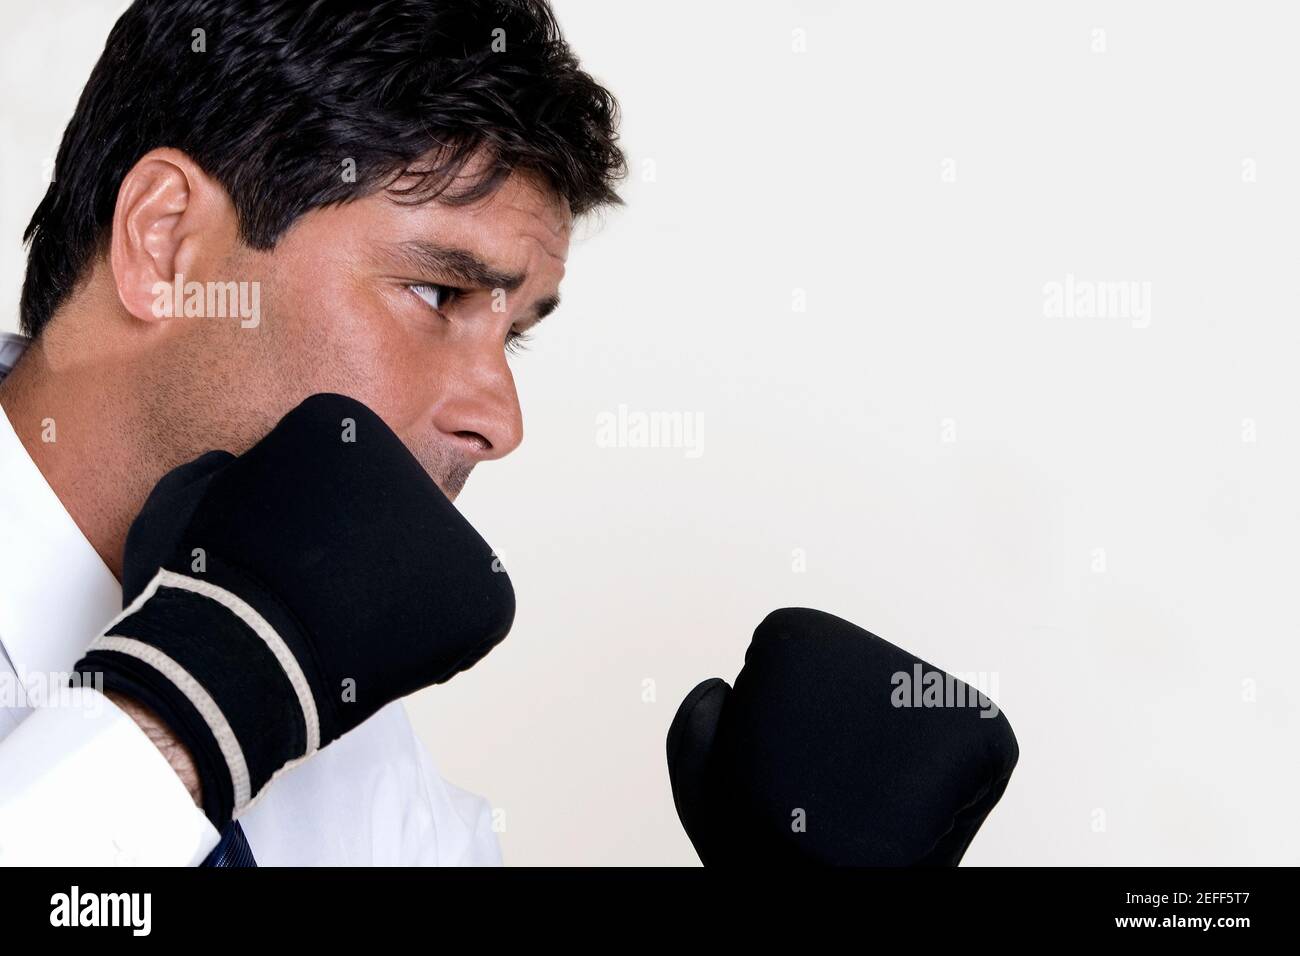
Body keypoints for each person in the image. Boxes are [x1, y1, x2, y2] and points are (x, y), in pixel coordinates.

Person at [0, 0, 626, 866]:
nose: (500, 420)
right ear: (165, 242)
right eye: (436, 293)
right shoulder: (263, 665)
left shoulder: (327, 698)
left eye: (512, 330)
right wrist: (187, 718)